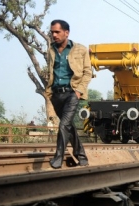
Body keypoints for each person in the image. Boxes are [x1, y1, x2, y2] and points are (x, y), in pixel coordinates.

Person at [46, 19, 91, 169]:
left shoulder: (81, 49)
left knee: (63, 125)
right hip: (56, 94)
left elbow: (87, 72)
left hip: (72, 93)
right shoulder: (51, 50)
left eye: (57, 32)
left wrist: (79, 90)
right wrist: (49, 92)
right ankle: (82, 156)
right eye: (52, 32)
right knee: (69, 126)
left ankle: (58, 158)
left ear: (66, 33)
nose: (54, 35)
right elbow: (51, 71)